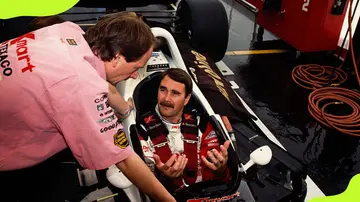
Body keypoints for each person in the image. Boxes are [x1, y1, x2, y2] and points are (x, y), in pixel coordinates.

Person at [0, 12, 175, 202]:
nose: (134, 76)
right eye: (135, 68)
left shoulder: (67, 31)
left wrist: (125, 109)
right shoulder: (80, 86)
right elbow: (124, 159)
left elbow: (100, 84)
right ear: (116, 57)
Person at [138, 68, 231, 193]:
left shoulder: (201, 124)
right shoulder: (142, 129)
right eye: (163, 90)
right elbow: (143, 187)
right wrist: (165, 178)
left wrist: (220, 170)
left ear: (186, 99)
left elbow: (219, 180)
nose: (166, 98)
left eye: (175, 93)